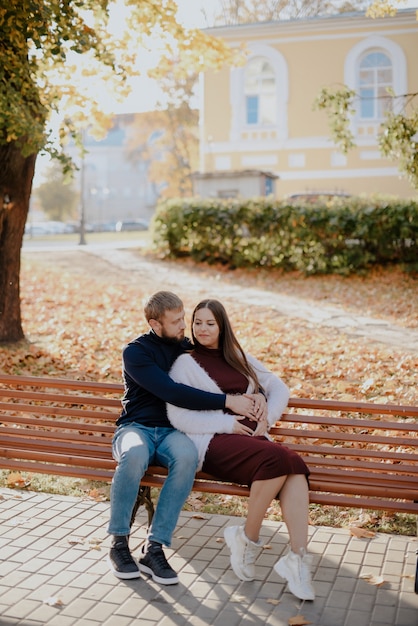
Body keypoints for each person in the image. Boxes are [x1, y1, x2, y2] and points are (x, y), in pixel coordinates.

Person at [107, 291, 264, 584]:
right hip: (135, 428)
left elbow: (237, 366)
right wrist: (227, 402)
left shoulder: (187, 347)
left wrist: (261, 395)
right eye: (177, 321)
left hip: (172, 432)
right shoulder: (135, 352)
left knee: (188, 457)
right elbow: (171, 391)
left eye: (183, 318)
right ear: (155, 324)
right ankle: (119, 542)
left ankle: (154, 548)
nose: (185, 326)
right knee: (135, 455)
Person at [166, 299, 315, 601]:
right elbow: (178, 417)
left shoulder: (237, 356)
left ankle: (297, 560)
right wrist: (227, 424)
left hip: (253, 442)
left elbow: (278, 386)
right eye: (197, 323)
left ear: (222, 326)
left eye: (210, 323)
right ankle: (248, 538)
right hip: (212, 441)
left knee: (294, 467)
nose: (202, 329)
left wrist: (267, 417)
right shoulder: (185, 363)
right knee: (280, 459)